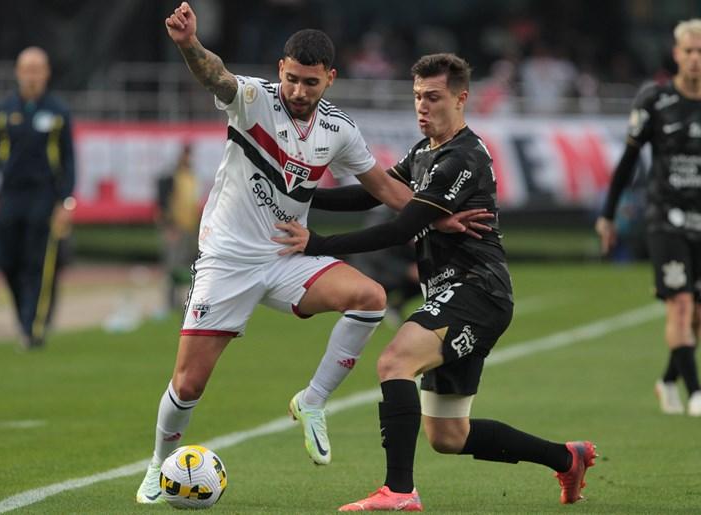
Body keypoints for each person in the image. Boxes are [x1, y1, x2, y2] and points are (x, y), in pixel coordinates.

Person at [135, 2, 487, 504]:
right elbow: (216, 77)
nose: (299, 91)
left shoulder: (338, 130)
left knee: (369, 296)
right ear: (281, 70)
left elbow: (384, 188)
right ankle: (156, 465)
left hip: (285, 257)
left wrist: (439, 215)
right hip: (227, 261)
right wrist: (189, 44)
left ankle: (313, 400)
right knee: (188, 384)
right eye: (293, 79)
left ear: (330, 79)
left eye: (311, 82)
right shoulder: (253, 99)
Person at [275, 53, 596, 511]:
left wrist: (318, 243)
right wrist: (302, 194)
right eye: (417, 97)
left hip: (476, 290)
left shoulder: (462, 158)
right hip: (450, 291)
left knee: (393, 361)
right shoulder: (425, 152)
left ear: (461, 99)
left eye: (433, 97)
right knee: (449, 435)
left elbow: (402, 227)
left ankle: (400, 492)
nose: (422, 107)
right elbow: (377, 192)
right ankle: (566, 458)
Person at [596, 19, 701, 417]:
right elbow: (627, 163)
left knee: (696, 315)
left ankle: (669, 380)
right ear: (677, 54)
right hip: (666, 218)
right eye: (689, 51)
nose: (695, 59)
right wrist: (608, 215)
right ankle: (696, 391)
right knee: (680, 304)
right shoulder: (655, 100)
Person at [0, 47, 76, 350]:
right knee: (7, 261)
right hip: (10, 196)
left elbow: (69, 160)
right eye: (26, 69)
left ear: (46, 73)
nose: (32, 76)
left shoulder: (58, 112)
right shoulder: (3, 112)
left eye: (37, 69)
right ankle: (24, 314)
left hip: (44, 196)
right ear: (18, 73)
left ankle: (34, 327)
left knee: (38, 263)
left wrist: (66, 201)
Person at [154, 143, 200, 316]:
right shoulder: (173, 176)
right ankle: (170, 302)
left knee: (186, 267)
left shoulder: (191, 176)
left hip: (189, 228)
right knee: (172, 267)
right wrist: (168, 226)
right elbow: (163, 203)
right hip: (176, 228)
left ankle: (184, 301)